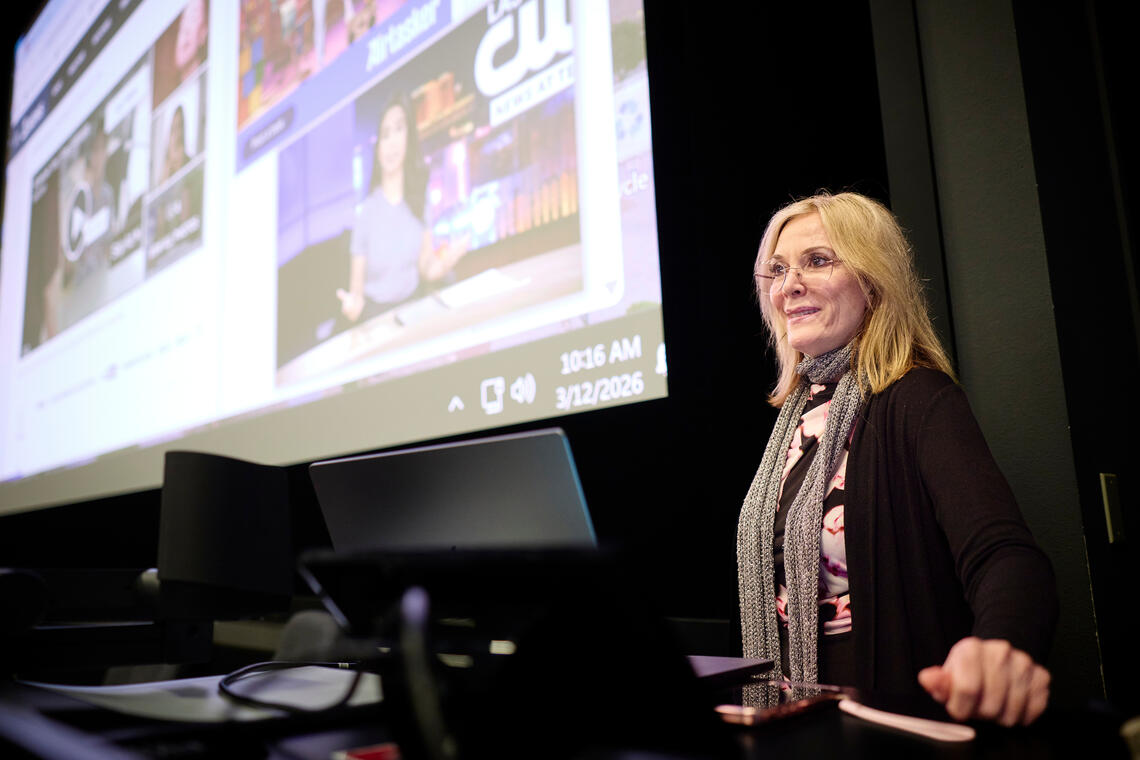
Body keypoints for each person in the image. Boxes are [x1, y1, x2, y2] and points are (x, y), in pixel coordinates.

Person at [737, 191, 1057, 726]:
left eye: (817, 261)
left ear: (873, 281)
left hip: (890, 725)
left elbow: (1006, 557)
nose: (788, 286)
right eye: (777, 270)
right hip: (792, 725)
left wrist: (1000, 646)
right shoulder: (791, 421)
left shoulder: (919, 399)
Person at [337, 94, 465, 324]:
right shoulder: (366, 212)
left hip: (414, 312)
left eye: (399, 130)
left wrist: (444, 264)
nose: (392, 142)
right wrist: (353, 307)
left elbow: (426, 267)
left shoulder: (420, 201)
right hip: (375, 319)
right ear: (378, 148)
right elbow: (356, 292)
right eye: (385, 135)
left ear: (410, 139)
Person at [161, 106, 189, 183]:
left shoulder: (191, 163)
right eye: (174, 129)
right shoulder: (164, 169)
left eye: (179, 127)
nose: (177, 134)